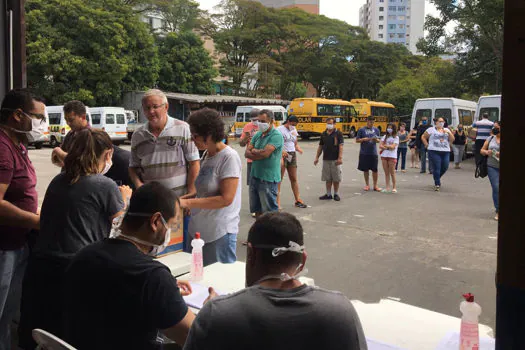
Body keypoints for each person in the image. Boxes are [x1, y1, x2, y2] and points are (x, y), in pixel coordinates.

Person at [183, 212, 368, 350]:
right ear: (302, 260)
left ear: (251, 254)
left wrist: (215, 308)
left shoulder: (217, 315)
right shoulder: (340, 311)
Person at [18, 129, 131, 349]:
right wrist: (125, 199)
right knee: (72, 336)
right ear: (108, 154)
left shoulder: (58, 181)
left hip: (41, 269)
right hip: (75, 269)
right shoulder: (105, 185)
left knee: (45, 335)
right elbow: (121, 229)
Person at [62, 182, 195, 349]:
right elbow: (196, 336)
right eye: (172, 224)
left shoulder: (84, 255)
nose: (170, 231)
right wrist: (213, 310)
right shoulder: (153, 277)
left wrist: (166, 291)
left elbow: (114, 292)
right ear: (155, 221)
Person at [0, 89, 44, 350]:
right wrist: (37, 221)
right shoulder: (3, 149)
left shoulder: (17, 145)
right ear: (18, 115)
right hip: (3, 247)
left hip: (17, 244)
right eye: (37, 117)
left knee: (7, 316)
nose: (41, 124)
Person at [129, 89, 200, 249]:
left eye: (155, 106)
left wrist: (191, 193)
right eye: (147, 108)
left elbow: (194, 162)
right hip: (152, 205)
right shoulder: (137, 135)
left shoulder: (182, 128)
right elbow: (133, 167)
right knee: (154, 248)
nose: (151, 111)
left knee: (182, 248)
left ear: (166, 107)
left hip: (178, 202)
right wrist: (139, 186)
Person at [181, 108, 242, 266]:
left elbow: (226, 199)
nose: (193, 140)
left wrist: (188, 203)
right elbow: (201, 193)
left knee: (218, 283)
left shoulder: (229, 157)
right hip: (199, 230)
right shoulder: (207, 155)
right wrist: (181, 199)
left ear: (209, 135)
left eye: (195, 136)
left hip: (219, 233)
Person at [245, 110, 284, 217]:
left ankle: (272, 233)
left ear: (271, 121)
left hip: (268, 179)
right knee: (257, 211)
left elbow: (265, 154)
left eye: (263, 121)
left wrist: (254, 150)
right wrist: (258, 152)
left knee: (270, 214)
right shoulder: (258, 134)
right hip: (255, 176)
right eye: (259, 121)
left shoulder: (276, 135)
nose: (260, 124)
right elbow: (246, 153)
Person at [277, 116, 307, 208]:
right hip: (282, 154)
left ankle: (298, 199)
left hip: (292, 154)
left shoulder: (293, 129)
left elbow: (295, 142)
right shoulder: (279, 130)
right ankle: (277, 202)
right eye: (292, 124)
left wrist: (298, 148)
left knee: (293, 178)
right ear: (288, 121)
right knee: (279, 179)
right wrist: (282, 151)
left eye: (295, 125)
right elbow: (277, 142)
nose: (293, 126)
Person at [51, 100, 89, 167]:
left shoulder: (91, 136)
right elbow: (58, 160)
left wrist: (57, 151)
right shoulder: (71, 134)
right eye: (66, 120)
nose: (68, 123)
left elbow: (82, 163)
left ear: (83, 117)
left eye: (71, 120)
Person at [421, 117, 455, 191]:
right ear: (436, 122)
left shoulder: (446, 130)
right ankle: (437, 183)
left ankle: (436, 177)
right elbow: (423, 137)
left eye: (442, 121)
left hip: (445, 151)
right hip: (434, 151)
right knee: (437, 167)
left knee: (445, 166)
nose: (441, 123)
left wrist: (449, 134)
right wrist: (426, 144)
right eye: (440, 121)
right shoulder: (431, 130)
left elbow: (452, 139)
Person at [314, 118, 344, 201]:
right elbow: (320, 146)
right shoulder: (323, 134)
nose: (329, 125)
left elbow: (341, 146)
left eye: (330, 123)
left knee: (336, 178)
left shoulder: (338, 133)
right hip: (326, 159)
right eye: (327, 123)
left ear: (334, 124)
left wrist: (340, 158)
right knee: (327, 178)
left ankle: (336, 194)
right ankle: (328, 194)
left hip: (335, 159)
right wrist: (317, 157)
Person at [239, 109, 259, 217]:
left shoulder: (265, 126)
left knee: (264, 185)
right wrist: (246, 137)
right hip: (251, 161)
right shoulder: (247, 127)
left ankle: (263, 208)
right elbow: (241, 144)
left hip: (263, 159)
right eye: (253, 120)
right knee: (252, 186)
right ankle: (254, 209)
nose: (255, 122)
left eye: (257, 119)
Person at [480, 121, 500, 221]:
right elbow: (482, 150)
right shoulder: (491, 138)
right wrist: (487, 152)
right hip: (492, 166)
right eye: (494, 127)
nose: (494, 129)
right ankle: (498, 210)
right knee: (496, 187)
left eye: (496, 127)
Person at [355, 116, 381, 192]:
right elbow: (357, 140)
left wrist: (376, 140)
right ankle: (367, 185)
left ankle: (375, 185)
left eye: (373, 122)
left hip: (373, 153)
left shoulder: (376, 129)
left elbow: (379, 140)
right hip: (364, 152)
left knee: (375, 170)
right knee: (365, 170)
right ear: (367, 121)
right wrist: (363, 139)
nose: (371, 124)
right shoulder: (361, 129)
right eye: (370, 122)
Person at [380, 123, 399, 193]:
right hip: (384, 156)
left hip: (392, 156)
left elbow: (393, 147)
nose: (389, 129)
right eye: (388, 127)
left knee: (392, 172)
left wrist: (386, 146)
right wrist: (388, 146)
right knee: (386, 173)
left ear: (393, 129)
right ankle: (387, 187)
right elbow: (380, 146)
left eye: (391, 128)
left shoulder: (396, 137)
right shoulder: (385, 136)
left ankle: (394, 187)